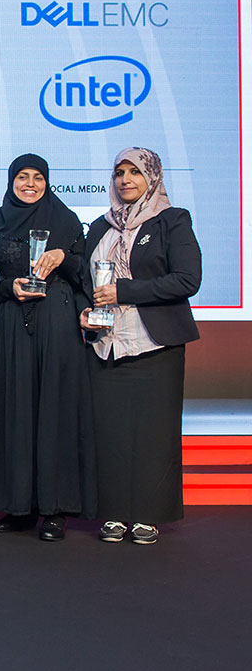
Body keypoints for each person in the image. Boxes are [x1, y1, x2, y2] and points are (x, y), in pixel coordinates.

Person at [0, 154, 95, 541]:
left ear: (47, 181)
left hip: (57, 325)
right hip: (10, 324)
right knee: (14, 411)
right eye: (22, 177)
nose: (30, 183)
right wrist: (8, 287)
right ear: (11, 181)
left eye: (38, 177)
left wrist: (64, 257)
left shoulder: (67, 220)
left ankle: (55, 509)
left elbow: (86, 271)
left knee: (54, 411)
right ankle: (19, 505)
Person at [80, 147, 201, 545]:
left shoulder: (172, 220)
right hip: (107, 345)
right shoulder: (100, 227)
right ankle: (113, 514)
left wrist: (124, 290)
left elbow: (187, 280)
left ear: (152, 177)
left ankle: (147, 516)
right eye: (119, 172)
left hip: (155, 345)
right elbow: (87, 283)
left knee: (154, 434)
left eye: (135, 172)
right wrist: (84, 311)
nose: (126, 179)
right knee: (109, 433)